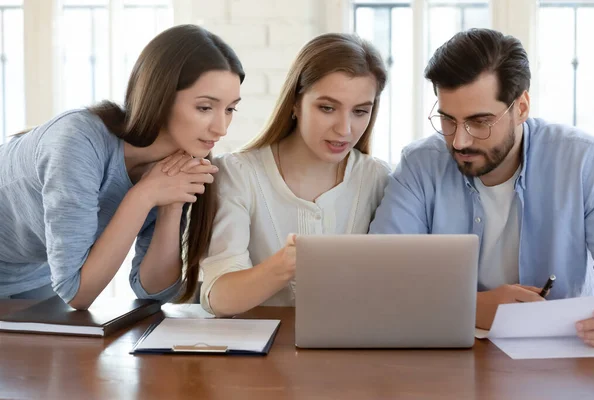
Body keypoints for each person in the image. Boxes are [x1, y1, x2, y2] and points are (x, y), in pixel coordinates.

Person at [369, 28, 594, 347]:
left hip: (564, 353)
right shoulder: (421, 164)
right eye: (448, 120)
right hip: (450, 358)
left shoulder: (584, 160)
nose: (460, 141)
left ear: (521, 108)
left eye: (480, 122)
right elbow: (379, 278)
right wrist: (475, 307)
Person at [0, 25, 244, 309]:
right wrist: (143, 195)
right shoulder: (77, 141)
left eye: (230, 109)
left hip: (30, 274)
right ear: (160, 97)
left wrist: (170, 206)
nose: (221, 128)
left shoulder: (174, 165)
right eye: (205, 108)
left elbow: (153, 291)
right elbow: (77, 293)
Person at [199, 33, 390, 317]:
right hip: (262, 355)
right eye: (327, 108)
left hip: (351, 354)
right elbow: (218, 297)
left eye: (360, 111)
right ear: (295, 104)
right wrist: (284, 265)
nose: (345, 129)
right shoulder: (239, 174)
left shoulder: (379, 178)